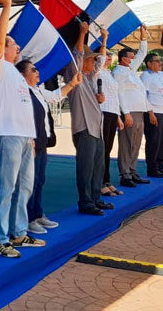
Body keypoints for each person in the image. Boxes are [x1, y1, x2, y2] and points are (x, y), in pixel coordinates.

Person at [0, 0, 45, 258]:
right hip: (7, 134)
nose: (17, 48)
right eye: (13, 44)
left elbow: (24, 109)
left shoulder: (17, 74)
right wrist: (6, 7)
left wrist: (31, 137)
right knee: (7, 187)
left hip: (22, 136)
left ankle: (19, 233)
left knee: (25, 186)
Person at [16, 60, 81, 235]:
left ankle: (37, 213)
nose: (38, 72)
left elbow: (55, 96)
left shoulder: (37, 91)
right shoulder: (22, 93)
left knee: (40, 179)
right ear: (22, 75)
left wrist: (72, 84)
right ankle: (28, 218)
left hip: (42, 142)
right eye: (33, 70)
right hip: (31, 143)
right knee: (30, 182)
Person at [65, 22, 113, 216]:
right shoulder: (74, 76)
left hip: (96, 128)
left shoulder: (90, 79)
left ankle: (95, 198)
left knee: (97, 166)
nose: (93, 63)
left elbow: (101, 61)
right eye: (90, 60)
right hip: (84, 127)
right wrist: (83, 34)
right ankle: (85, 202)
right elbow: (76, 55)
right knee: (85, 168)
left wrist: (104, 39)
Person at [112, 26, 153, 188]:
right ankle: (125, 173)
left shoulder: (130, 70)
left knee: (136, 143)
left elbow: (142, 54)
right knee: (127, 143)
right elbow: (119, 93)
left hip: (139, 112)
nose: (133, 59)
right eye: (130, 57)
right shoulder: (119, 72)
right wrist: (126, 113)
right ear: (123, 58)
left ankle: (133, 170)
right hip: (129, 112)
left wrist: (143, 37)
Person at [98, 50, 124, 197]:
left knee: (107, 149)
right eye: (106, 56)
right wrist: (105, 39)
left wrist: (118, 117)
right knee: (102, 150)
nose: (108, 59)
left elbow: (114, 97)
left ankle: (106, 180)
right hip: (103, 112)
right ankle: (100, 182)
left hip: (113, 113)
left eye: (110, 57)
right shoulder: (98, 72)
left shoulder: (109, 73)